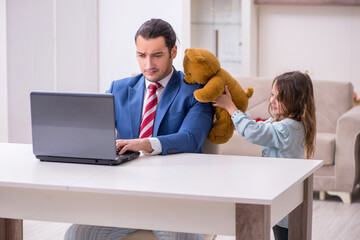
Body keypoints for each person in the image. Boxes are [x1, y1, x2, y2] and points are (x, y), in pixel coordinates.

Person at [64, 19, 213, 240]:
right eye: (141, 55)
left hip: (175, 197)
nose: (148, 64)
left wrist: (144, 143)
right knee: (77, 234)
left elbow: (191, 139)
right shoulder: (120, 88)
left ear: (173, 51)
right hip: (126, 197)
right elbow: (92, 127)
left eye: (157, 55)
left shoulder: (196, 92)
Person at [213, 71, 316, 240]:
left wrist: (231, 107)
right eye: (272, 95)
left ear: (295, 100)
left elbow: (253, 132)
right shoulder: (289, 123)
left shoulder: (286, 128)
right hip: (283, 198)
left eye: (278, 97)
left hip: (283, 201)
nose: (271, 101)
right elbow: (256, 126)